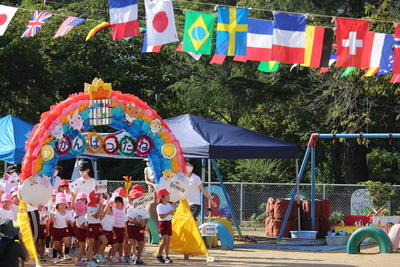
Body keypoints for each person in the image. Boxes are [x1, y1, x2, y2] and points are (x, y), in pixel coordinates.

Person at [86, 190, 108, 267]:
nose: (100, 199)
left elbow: (100, 218)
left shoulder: (97, 207)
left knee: (105, 241)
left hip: (98, 226)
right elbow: (97, 216)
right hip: (92, 226)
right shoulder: (89, 208)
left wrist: (103, 211)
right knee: (91, 245)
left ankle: (98, 254)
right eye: (99, 197)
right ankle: (90, 261)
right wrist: (101, 208)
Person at [126, 190, 148, 265]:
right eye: (133, 199)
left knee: (141, 243)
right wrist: (138, 222)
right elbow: (129, 220)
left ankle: (138, 259)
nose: (135, 201)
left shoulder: (143, 209)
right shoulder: (131, 209)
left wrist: (143, 224)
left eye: (137, 199)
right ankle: (128, 257)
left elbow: (146, 219)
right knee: (130, 242)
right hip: (132, 229)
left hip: (140, 229)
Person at [51, 195, 72, 263]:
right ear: (57, 205)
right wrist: (51, 216)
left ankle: (66, 254)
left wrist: (67, 226)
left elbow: (66, 221)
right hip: (57, 230)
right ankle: (54, 257)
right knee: (56, 245)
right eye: (61, 204)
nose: (63, 206)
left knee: (67, 242)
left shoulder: (66, 213)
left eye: (64, 204)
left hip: (64, 229)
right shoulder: (55, 213)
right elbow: (53, 221)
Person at [156, 188, 174, 264]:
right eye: (166, 195)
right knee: (165, 241)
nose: (168, 196)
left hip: (169, 223)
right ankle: (159, 255)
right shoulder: (159, 206)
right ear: (161, 197)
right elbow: (161, 216)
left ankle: (166, 256)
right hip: (163, 223)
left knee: (168, 242)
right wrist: (170, 212)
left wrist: (172, 211)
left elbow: (172, 213)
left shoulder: (168, 205)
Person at [111, 196, 127, 263]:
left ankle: (120, 256)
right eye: (116, 202)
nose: (118, 204)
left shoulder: (123, 212)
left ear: (122, 204)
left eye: (120, 202)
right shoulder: (113, 210)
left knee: (121, 244)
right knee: (115, 244)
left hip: (121, 229)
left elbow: (125, 222)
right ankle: (113, 256)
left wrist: (126, 231)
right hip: (114, 228)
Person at [144, 158, 158, 224]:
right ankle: (151, 223)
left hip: (158, 187)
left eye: (149, 161)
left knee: (155, 205)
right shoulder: (146, 169)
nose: (148, 162)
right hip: (151, 187)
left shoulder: (157, 167)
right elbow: (146, 180)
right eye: (147, 161)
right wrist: (152, 184)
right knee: (150, 206)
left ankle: (156, 223)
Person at [74, 200, 87, 266]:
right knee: (82, 247)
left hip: (80, 232)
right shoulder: (81, 217)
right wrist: (88, 227)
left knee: (82, 247)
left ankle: (79, 259)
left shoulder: (78, 216)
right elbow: (82, 227)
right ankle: (78, 260)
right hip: (81, 232)